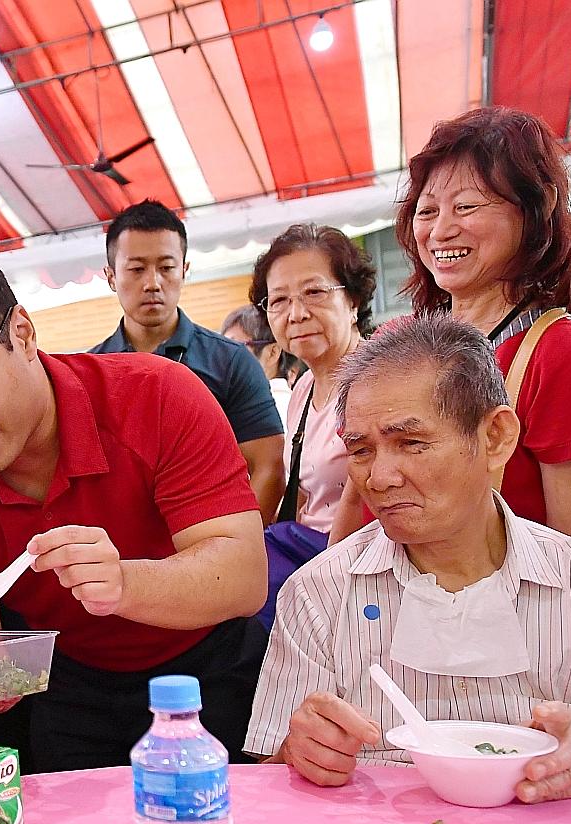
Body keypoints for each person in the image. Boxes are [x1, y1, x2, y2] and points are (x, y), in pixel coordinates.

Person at [0, 242, 267, 771]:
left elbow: (242, 577)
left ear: (22, 333)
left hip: (210, 671)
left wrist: (123, 583)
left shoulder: (158, 396)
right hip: (73, 687)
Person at [247, 313, 571, 802]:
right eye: (360, 451)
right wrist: (297, 753)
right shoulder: (319, 595)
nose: (379, 478)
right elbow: (271, 789)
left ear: (495, 437)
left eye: (411, 444)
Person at [332, 106, 571, 549]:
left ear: (536, 208)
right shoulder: (393, 341)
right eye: (427, 211)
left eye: (466, 206)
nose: (441, 230)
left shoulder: (563, 351)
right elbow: (355, 505)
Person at [92, 201, 285, 523]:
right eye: (136, 269)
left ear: (184, 269)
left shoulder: (232, 361)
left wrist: (234, 546)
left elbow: (267, 468)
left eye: (166, 267)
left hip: (213, 540)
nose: (152, 282)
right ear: (111, 276)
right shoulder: (88, 374)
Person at [248, 225, 378, 629]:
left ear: (353, 300)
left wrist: (324, 587)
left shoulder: (380, 381)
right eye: (279, 300)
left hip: (362, 570)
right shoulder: (303, 389)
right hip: (309, 555)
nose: (297, 313)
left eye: (315, 293)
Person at [222, 303, 303, 430]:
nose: (225, 356)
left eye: (235, 346)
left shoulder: (273, 408)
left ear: (273, 353)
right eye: (222, 347)